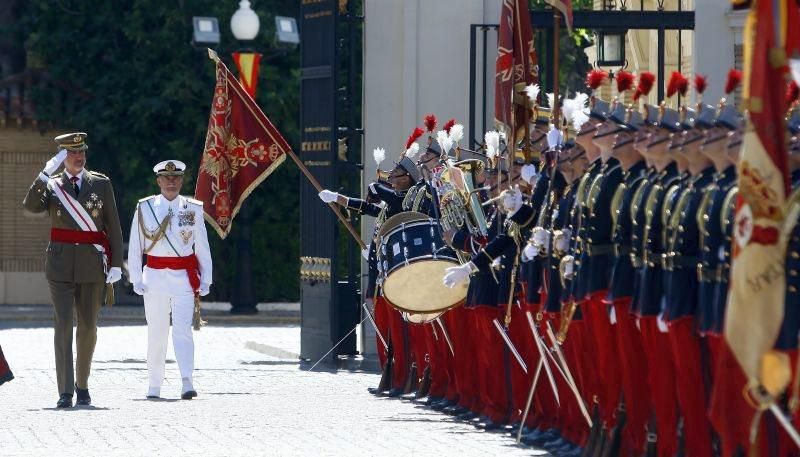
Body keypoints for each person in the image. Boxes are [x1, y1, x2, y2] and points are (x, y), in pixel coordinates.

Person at [22, 132, 124, 408]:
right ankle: (65, 391)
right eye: (72, 154)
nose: (79, 157)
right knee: (64, 325)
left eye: (82, 153)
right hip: (60, 265)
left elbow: (112, 226)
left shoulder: (100, 184)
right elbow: (30, 206)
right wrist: (44, 175)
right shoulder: (52, 186)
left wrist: (116, 264)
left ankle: (82, 384)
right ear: (62, 157)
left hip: (92, 264)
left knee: (89, 327)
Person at [127, 160, 212, 400]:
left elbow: (202, 246)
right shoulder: (145, 207)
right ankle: (154, 383)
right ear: (159, 181)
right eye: (166, 178)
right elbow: (136, 245)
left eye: (175, 178)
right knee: (157, 332)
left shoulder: (192, 208)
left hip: (183, 278)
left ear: (182, 180)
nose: (171, 182)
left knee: (183, 331)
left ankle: (187, 380)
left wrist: (206, 278)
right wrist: (136, 277)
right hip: (154, 277)